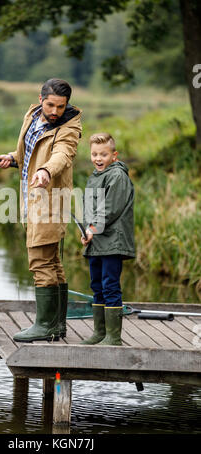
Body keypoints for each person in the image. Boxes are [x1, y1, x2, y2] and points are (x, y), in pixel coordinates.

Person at [0, 78, 82, 342]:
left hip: (49, 202)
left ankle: (45, 325)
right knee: (52, 261)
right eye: (51, 105)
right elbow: (30, 152)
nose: (55, 111)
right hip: (30, 199)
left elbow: (62, 155)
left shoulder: (69, 126)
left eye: (61, 106)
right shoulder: (32, 115)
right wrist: (14, 157)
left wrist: (45, 170)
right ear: (41, 99)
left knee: (41, 262)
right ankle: (57, 325)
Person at [80, 133, 135, 346]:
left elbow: (110, 209)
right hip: (96, 242)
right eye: (94, 154)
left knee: (110, 285)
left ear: (114, 155)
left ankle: (113, 338)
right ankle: (99, 333)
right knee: (97, 285)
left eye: (103, 154)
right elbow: (89, 209)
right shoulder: (94, 176)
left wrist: (93, 228)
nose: (98, 158)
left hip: (113, 242)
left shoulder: (117, 176)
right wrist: (87, 230)